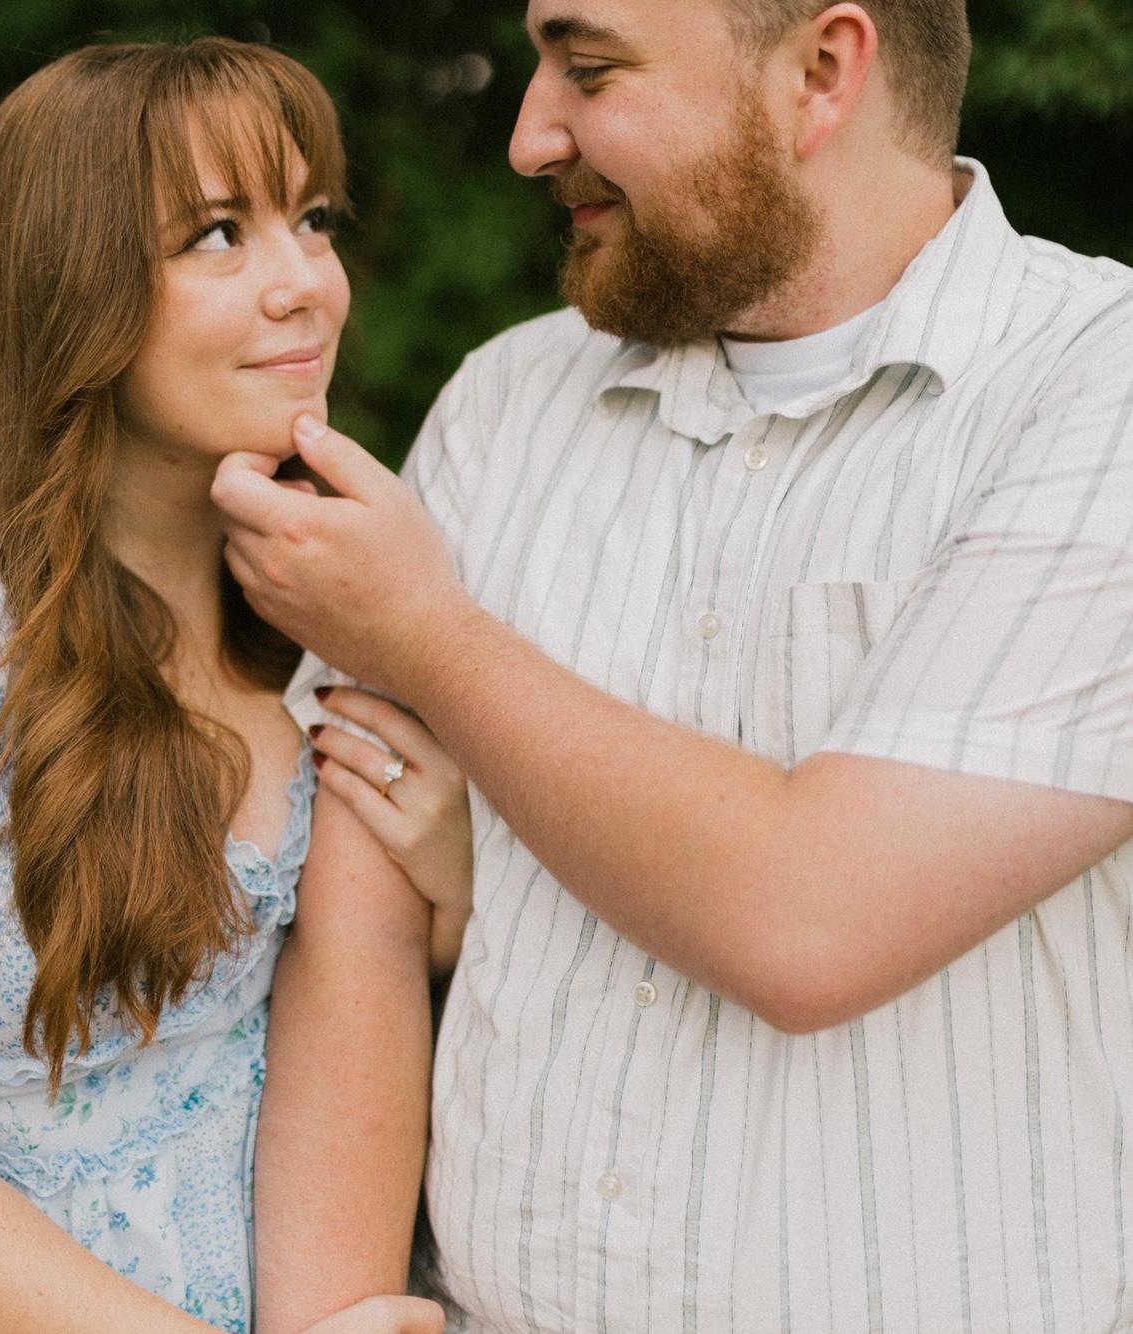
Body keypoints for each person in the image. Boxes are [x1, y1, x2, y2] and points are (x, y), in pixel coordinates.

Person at [211, 1, 1133, 1329]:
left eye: (588, 70)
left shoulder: (1092, 389)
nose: (531, 135)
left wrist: (422, 633)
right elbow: (360, 902)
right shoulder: (506, 397)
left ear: (818, 73)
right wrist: (333, 1310)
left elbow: (813, 919)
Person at [0, 38, 466, 1334]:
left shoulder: (328, 612)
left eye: (309, 218)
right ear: (72, 289)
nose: (303, 285)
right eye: (217, 234)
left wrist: (456, 895)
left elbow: (351, 1034)